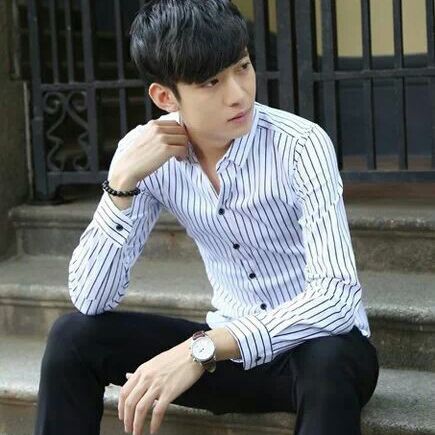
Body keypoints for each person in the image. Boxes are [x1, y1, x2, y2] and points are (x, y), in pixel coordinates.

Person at [33, 1, 379, 434]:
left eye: (242, 67)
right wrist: (121, 184)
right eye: (211, 82)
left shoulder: (301, 146)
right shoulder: (148, 155)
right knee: (72, 337)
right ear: (165, 97)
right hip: (227, 357)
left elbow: (336, 298)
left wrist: (201, 349)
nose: (238, 94)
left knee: (329, 359)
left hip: (315, 350)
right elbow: (90, 299)